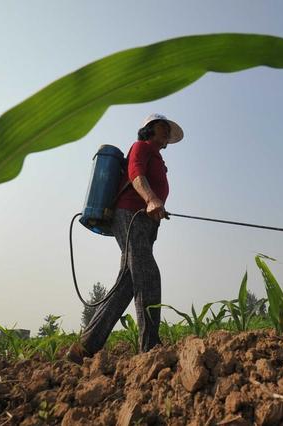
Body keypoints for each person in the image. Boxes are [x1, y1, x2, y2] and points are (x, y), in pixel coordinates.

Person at [66, 113, 184, 365]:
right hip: (131, 216)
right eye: (163, 128)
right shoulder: (140, 147)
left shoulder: (159, 158)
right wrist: (152, 199)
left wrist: (156, 206)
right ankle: (150, 347)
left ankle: (84, 347)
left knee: (127, 284)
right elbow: (135, 173)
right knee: (147, 274)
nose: (166, 134)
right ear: (149, 130)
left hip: (144, 221)